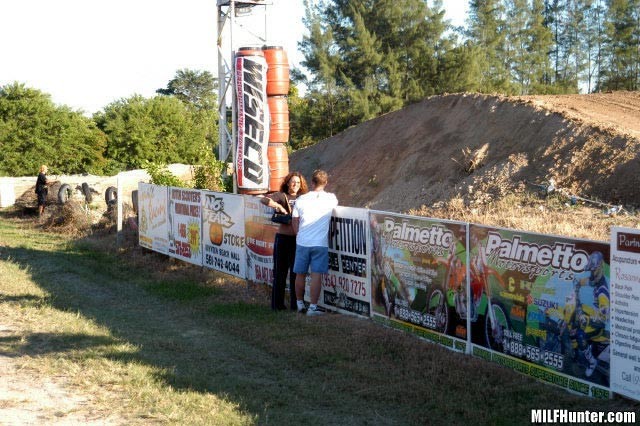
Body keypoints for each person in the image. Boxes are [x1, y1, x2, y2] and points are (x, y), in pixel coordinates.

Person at [292, 170, 338, 316]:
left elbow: (295, 220)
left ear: (312, 183)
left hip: (302, 241)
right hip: (320, 243)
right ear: (326, 183)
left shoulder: (301, 199)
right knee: (316, 275)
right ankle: (313, 307)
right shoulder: (331, 198)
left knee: (300, 274)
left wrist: (298, 235)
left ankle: (299, 303)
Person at [260, 172, 309, 311]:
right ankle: (277, 305)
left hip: (298, 240)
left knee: (295, 273)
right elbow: (263, 200)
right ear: (287, 183)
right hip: (283, 239)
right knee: (280, 274)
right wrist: (278, 206)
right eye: (293, 182)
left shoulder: (304, 198)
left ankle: (296, 304)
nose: (295, 185)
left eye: (298, 183)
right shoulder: (282, 195)